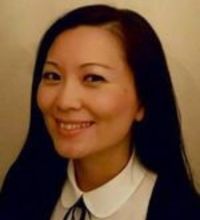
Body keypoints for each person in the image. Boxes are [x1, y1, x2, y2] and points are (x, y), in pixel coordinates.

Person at [0, 4, 199, 220]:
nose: (65, 101)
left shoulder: (180, 211)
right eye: (53, 76)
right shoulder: (22, 188)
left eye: (93, 78)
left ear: (142, 102)